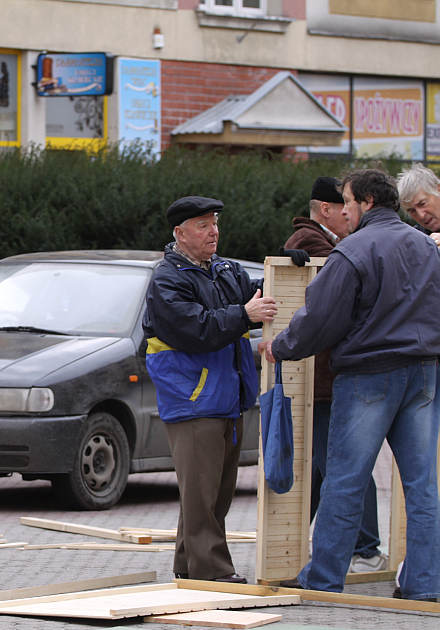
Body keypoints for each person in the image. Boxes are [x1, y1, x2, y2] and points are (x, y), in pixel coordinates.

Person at [265, 169, 440, 601]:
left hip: (369, 376)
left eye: (346, 202)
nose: (343, 211)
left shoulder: (355, 250)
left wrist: (281, 347)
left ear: (364, 201)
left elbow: (320, 318)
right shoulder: (425, 245)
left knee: (345, 479)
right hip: (423, 372)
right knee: (422, 486)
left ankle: (323, 581)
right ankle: (425, 586)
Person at [143, 195, 277, 584]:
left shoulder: (223, 270)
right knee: (203, 495)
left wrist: (285, 268)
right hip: (194, 398)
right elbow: (195, 329)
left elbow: (252, 291)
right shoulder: (168, 278)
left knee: (212, 493)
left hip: (225, 397)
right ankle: (213, 572)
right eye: (203, 225)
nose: (213, 231)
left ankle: (188, 565)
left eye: (215, 222)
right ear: (179, 233)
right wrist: (244, 315)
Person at [284, 177, 384, 573]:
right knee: (346, 463)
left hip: (318, 378)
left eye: (351, 205)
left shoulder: (315, 242)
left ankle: (297, 545)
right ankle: (367, 547)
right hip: (322, 380)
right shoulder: (315, 244)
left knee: (320, 465)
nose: (348, 214)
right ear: (325, 210)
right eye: (342, 206)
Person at [397, 163, 440, 245]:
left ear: (438, 190)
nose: (421, 215)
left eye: (422, 204)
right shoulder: (414, 240)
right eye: (412, 211)